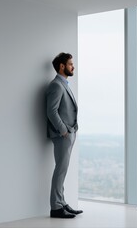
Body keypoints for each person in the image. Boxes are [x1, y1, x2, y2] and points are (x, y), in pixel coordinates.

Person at [46, 52, 82, 218]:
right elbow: (51, 111)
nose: (73, 67)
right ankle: (56, 207)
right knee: (60, 170)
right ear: (62, 66)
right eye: (70, 64)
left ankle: (62, 202)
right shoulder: (56, 85)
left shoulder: (64, 84)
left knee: (63, 169)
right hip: (62, 135)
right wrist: (64, 131)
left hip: (70, 132)